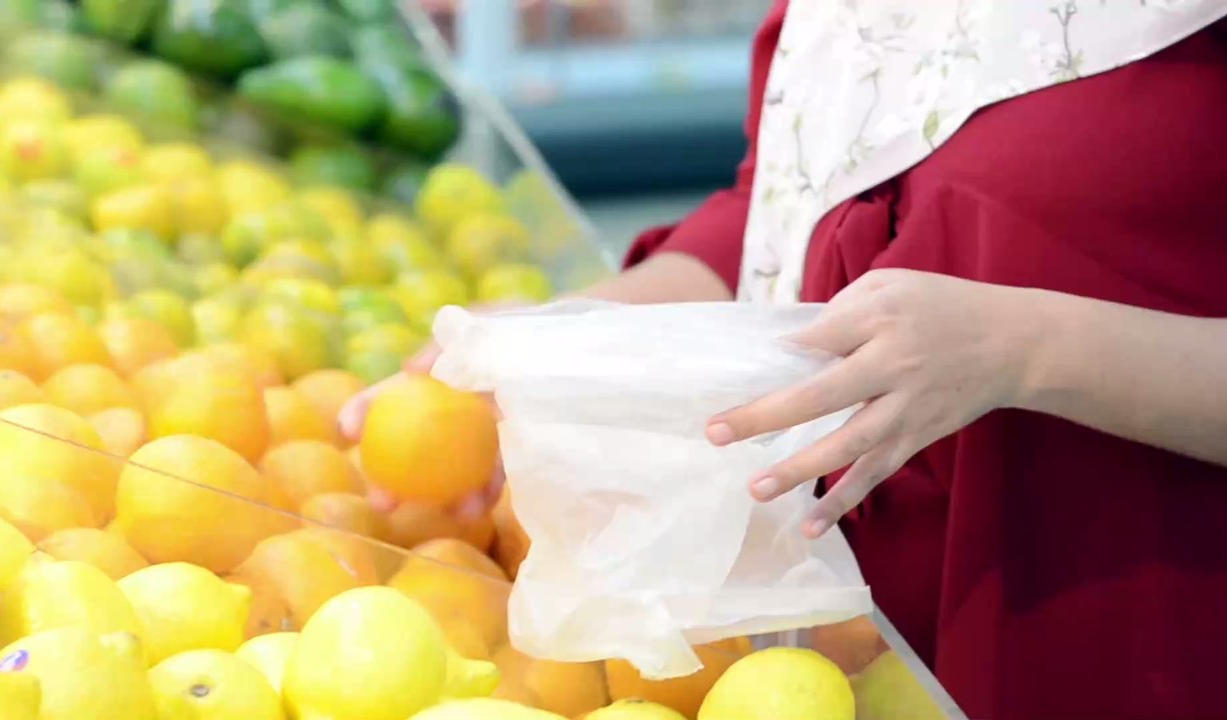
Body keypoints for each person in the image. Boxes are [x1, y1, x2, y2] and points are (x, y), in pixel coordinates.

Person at [342, 2, 1227, 718]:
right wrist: (560, 343)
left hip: (1124, 646)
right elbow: (785, 208)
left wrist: (1026, 348)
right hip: (852, 658)